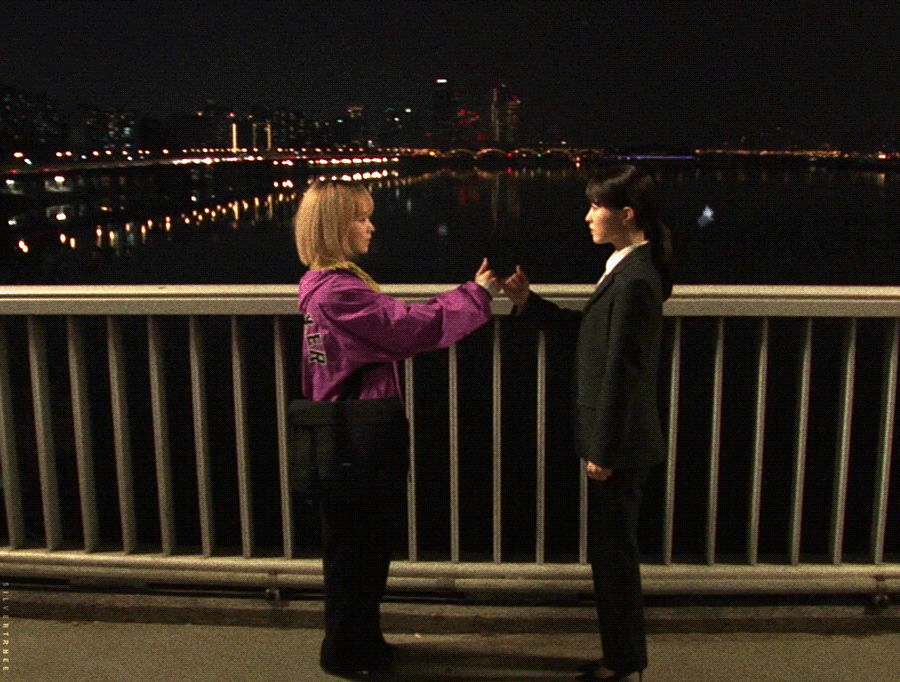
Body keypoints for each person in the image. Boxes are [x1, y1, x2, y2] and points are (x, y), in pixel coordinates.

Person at [293, 178, 500, 679]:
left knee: (354, 549)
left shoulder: (319, 287)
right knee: (359, 551)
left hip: (338, 435)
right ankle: (348, 652)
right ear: (334, 227)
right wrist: (476, 295)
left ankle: (360, 642)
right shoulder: (340, 293)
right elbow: (408, 326)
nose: (370, 226)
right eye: (360, 217)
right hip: (357, 438)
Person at [502, 166, 673, 682]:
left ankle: (624, 661)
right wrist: (528, 303)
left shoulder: (636, 279)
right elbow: (591, 334)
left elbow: (624, 371)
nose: (588, 216)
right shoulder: (628, 268)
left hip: (620, 447)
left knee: (614, 557)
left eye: (597, 206)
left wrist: (603, 448)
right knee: (611, 553)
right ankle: (623, 656)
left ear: (627, 214)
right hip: (619, 443)